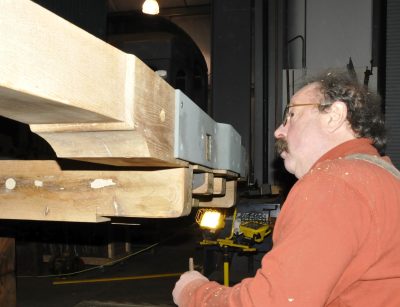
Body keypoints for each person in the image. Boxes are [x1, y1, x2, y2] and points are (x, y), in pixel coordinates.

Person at [172, 70, 400, 306]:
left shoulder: (334, 183)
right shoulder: (385, 177)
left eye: (291, 114)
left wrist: (194, 292)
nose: (278, 131)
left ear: (334, 115)